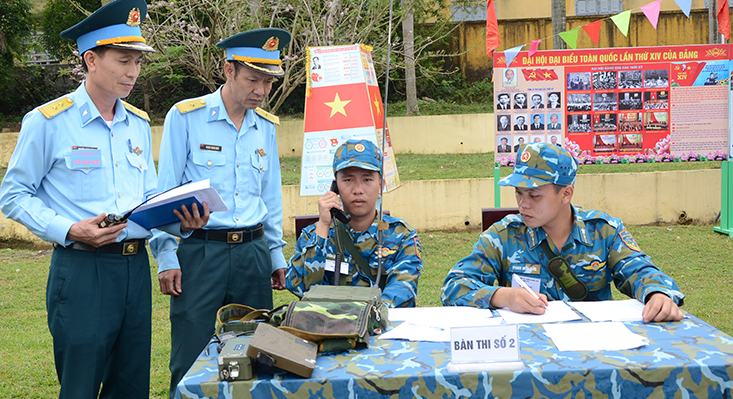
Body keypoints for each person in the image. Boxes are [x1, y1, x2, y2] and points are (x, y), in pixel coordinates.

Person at [0, 0, 207, 399]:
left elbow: (148, 200)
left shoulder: (136, 123)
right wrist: (70, 229)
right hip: (83, 272)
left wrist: (182, 222)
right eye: (123, 59)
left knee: (130, 395)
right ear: (91, 59)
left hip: (134, 273)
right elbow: (13, 195)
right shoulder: (49, 121)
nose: (133, 71)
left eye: (137, 60)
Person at [151, 27, 289, 399]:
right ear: (228, 70)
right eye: (253, 79)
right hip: (200, 253)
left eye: (268, 82)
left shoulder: (266, 127)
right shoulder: (186, 117)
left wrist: (275, 255)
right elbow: (162, 194)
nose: (261, 90)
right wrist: (165, 256)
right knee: (190, 357)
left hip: (253, 253)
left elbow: (270, 197)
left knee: (256, 356)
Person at [441, 143, 684, 323]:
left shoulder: (602, 231)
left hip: (593, 349)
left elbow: (640, 270)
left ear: (566, 194)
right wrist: (502, 296)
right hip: (529, 350)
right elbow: (453, 286)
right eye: (519, 193)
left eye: (534, 195)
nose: (523, 204)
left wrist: (657, 293)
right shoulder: (503, 236)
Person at [286, 139, 422, 307]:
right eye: (348, 180)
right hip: (328, 328)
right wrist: (323, 226)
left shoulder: (402, 235)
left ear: (381, 185)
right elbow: (298, 287)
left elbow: (403, 290)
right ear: (335, 187)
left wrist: (365, 317)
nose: (358, 189)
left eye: (367, 180)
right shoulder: (314, 234)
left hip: (379, 324)